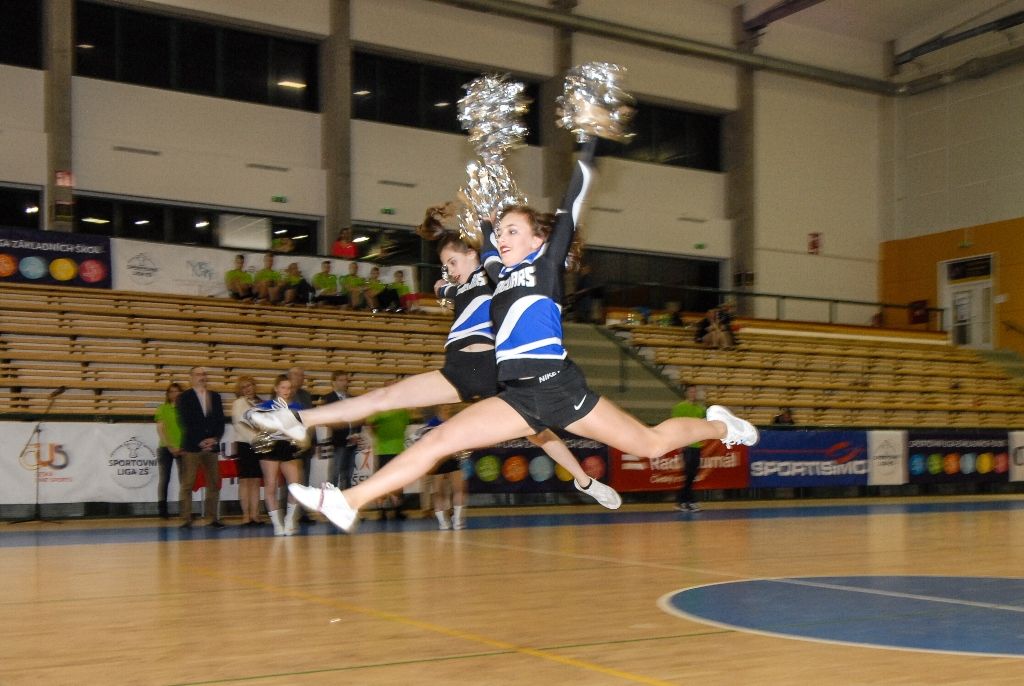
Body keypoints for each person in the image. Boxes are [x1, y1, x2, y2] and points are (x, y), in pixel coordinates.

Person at [281, 142, 758, 532]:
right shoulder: (497, 271)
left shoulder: (547, 268)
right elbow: (483, 239)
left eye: (516, 231)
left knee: (650, 446)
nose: (505, 238)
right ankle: (349, 500)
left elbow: (573, 199)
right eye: (503, 232)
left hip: (561, 388)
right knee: (441, 438)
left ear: (539, 241)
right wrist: (488, 181)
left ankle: (722, 426)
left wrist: (589, 145)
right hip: (518, 397)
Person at [246, 204, 620, 519]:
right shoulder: (457, 285)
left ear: (476, 253)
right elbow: (449, 274)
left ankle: (585, 481)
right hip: (459, 368)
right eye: (445, 266)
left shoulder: (498, 275)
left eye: (454, 261)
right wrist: (443, 257)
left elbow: (494, 253)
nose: (450, 271)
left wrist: (484, 227)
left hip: (490, 366)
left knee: (539, 432)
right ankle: (297, 421)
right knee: (386, 397)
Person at [175, 367, 226, 529]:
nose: (202, 377)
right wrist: (199, 440)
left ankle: (212, 518)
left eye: (204, 374)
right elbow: (184, 421)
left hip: (211, 446)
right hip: (192, 446)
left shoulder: (215, 396)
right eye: (198, 374)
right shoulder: (184, 397)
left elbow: (220, 420)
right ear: (191, 378)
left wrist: (215, 438)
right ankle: (186, 518)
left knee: (214, 482)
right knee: (188, 483)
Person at [257, 374, 305, 536]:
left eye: (289, 387)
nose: (286, 390)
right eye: (283, 387)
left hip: (288, 446)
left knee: (295, 485)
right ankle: (277, 523)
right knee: (271, 485)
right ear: (276, 388)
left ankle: (290, 519)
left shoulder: (297, 406)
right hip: (271, 446)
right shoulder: (266, 406)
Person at [423, 406, 467, 530]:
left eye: (449, 407)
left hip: (453, 458)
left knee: (458, 489)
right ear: (439, 409)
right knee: (438, 491)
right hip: (439, 459)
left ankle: (457, 520)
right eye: (445, 408)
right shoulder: (432, 424)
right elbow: (428, 442)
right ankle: (443, 521)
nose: (447, 409)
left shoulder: (454, 421)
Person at [366, 407, 412, 519]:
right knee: (385, 480)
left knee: (398, 480)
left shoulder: (402, 410)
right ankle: (384, 509)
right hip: (385, 449)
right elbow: (370, 424)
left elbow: (371, 425)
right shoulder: (380, 409)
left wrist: (378, 434)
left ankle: (394, 508)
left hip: (394, 449)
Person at [231, 376, 264, 526]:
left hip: (259, 444)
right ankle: (245, 515)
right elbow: (239, 424)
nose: (248, 388)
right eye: (244, 386)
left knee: (256, 480)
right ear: (240, 389)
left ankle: (256, 514)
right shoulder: (238, 403)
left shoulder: (261, 403)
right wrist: (254, 438)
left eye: (250, 385)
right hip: (244, 444)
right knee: (245, 481)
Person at [323, 371, 361, 489]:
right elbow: (329, 420)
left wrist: (356, 434)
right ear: (333, 382)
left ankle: (346, 499)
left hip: (352, 440)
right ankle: (331, 499)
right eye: (341, 380)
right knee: (335, 472)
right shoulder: (329, 398)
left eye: (346, 380)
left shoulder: (352, 398)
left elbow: (359, 417)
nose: (344, 383)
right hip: (338, 440)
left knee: (348, 473)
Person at [671, 385, 706, 513]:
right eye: (691, 391)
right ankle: (689, 501)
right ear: (686, 393)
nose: (693, 394)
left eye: (695, 392)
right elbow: (675, 426)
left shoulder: (700, 409)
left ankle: (682, 501)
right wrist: (679, 443)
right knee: (689, 473)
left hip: (697, 445)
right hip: (687, 445)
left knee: (692, 474)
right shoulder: (680, 408)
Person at [154, 382, 183, 519]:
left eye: (177, 391)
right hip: (166, 448)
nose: (174, 394)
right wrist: (170, 446)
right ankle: (162, 511)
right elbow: (161, 429)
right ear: (168, 394)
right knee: (165, 479)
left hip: (183, 448)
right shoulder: (163, 409)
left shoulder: (186, 409)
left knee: (185, 480)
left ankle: (185, 510)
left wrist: (181, 446)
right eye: (171, 391)